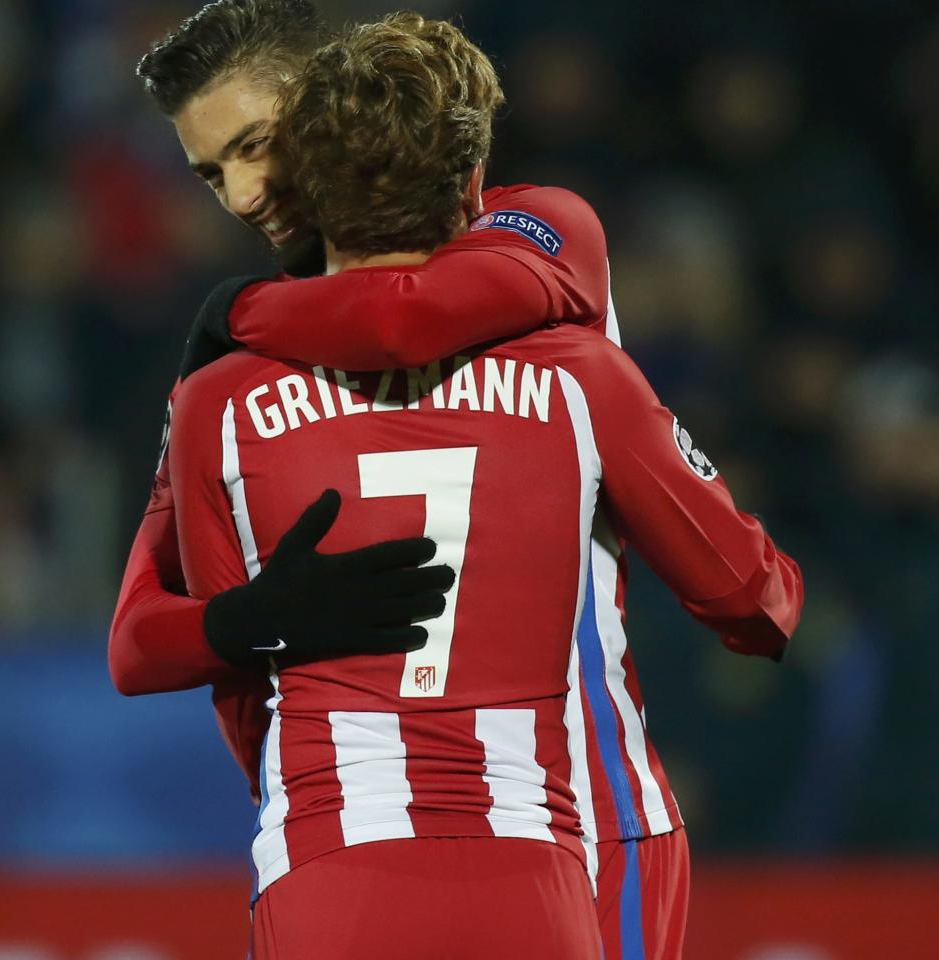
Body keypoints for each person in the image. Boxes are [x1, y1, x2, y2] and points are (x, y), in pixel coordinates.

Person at [162, 13, 802, 958]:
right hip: (537, 825)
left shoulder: (535, 231)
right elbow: (162, 621)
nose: (247, 192)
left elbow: (403, 319)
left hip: (549, 802)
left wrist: (236, 314)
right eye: (213, 174)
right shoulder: (565, 362)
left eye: (257, 146)